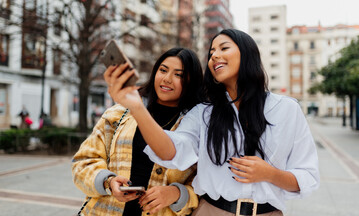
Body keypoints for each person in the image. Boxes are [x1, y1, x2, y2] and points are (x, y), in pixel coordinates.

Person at [106, 29, 320, 216]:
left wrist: (271, 174)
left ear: (247, 53)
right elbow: (170, 151)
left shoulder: (286, 109)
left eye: (223, 48)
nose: (215, 55)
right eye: (211, 53)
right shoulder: (204, 114)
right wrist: (137, 107)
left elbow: (307, 176)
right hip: (212, 211)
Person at [72, 47, 203, 216]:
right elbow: (83, 162)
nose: (167, 79)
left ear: (191, 82)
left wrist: (176, 194)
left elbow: (205, 185)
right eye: (163, 70)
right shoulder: (120, 113)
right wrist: (108, 182)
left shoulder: (197, 126)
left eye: (179, 75)